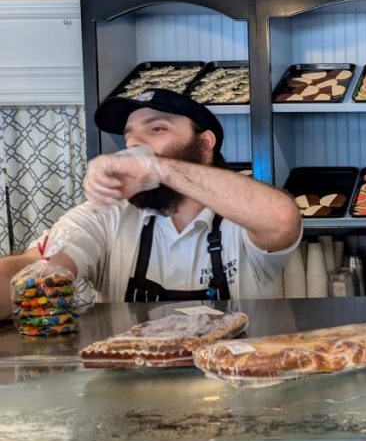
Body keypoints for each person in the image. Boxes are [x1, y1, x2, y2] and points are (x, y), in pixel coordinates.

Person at [0, 88, 302, 318]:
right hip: (133, 395)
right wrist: (32, 272)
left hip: (236, 388)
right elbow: (36, 269)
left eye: (156, 129)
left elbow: (282, 217)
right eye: (129, 135)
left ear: (206, 143)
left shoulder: (242, 217)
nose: (133, 144)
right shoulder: (107, 217)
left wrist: (160, 168)